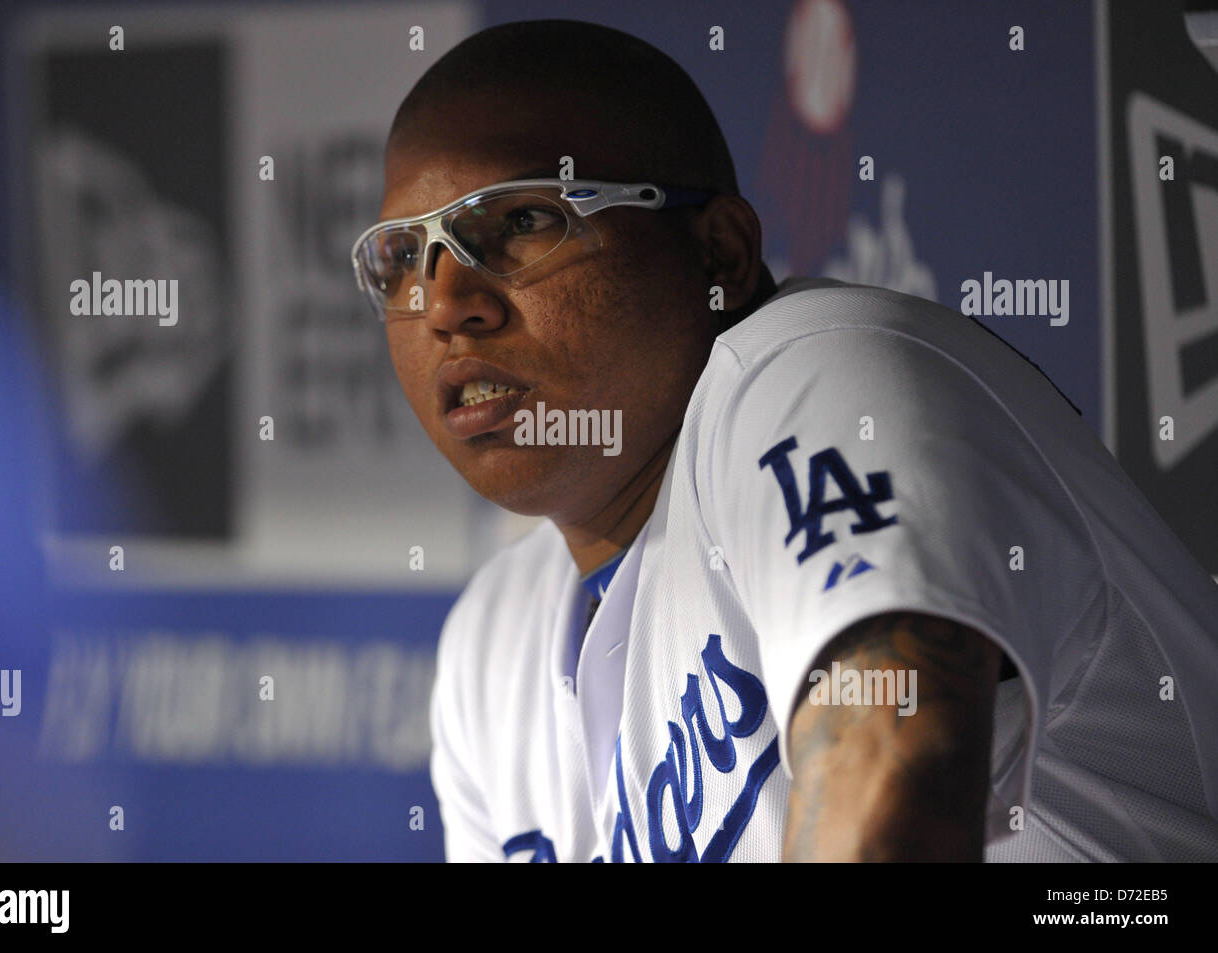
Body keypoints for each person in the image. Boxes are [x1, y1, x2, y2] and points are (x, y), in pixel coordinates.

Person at [353, 19, 1218, 861]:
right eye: (402, 258)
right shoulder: (491, 640)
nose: (445, 303)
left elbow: (891, 795)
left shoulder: (815, 378)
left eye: (521, 222)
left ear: (719, 252)